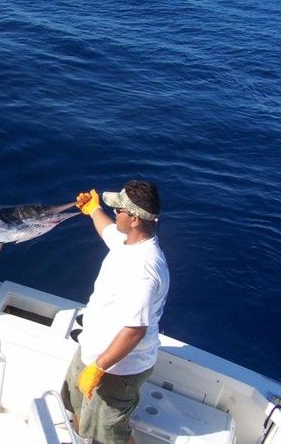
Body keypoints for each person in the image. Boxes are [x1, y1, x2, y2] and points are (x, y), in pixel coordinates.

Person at [63, 180, 170, 444]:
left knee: (111, 432)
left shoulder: (143, 270)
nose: (115, 213)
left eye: (119, 210)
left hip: (118, 369)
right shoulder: (127, 242)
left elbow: (135, 331)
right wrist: (92, 209)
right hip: (91, 350)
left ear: (134, 219)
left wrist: (98, 368)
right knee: (75, 407)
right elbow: (108, 231)